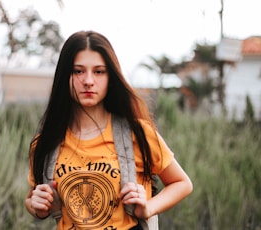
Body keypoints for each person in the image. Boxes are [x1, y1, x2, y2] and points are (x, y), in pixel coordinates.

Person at [25, 30, 193, 230]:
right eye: (78, 71)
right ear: (65, 76)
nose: (88, 81)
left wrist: (148, 207)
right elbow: (33, 199)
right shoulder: (45, 143)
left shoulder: (137, 134)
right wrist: (38, 207)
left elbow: (182, 183)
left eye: (99, 71)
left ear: (110, 77)